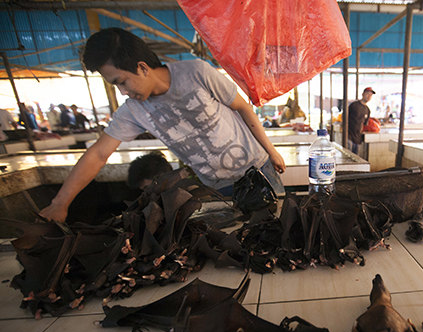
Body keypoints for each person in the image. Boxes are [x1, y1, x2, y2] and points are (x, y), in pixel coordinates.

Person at [40, 28, 285, 222]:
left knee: (274, 228)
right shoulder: (134, 110)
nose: (123, 92)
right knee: (240, 239)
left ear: (142, 68)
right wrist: (60, 203)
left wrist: (271, 151)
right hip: (217, 188)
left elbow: (243, 108)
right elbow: (98, 153)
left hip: (259, 171)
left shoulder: (196, 73)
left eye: (122, 82)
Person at [348, 87, 375, 154]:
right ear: (363, 94)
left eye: (370, 95)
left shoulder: (367, 110)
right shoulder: (354, 105)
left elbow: (365, 124)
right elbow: (344, 117)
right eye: (367, 94)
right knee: (348, 155)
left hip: (358, 138)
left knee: (356, 157)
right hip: (349, 137)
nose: (369, 96)